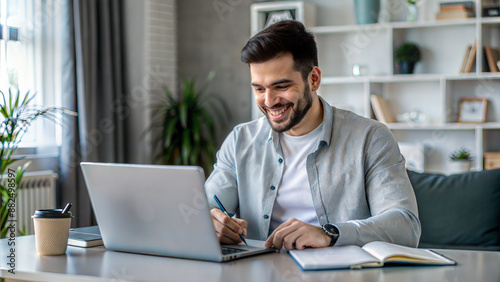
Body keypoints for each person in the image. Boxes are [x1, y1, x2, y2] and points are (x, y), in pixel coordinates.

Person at [205, 20, 421, 251]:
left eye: (281, 86)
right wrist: (211, 222)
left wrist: (329, 234)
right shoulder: (241, 140)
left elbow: (405, 226)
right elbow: (203, 209)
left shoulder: (371, 138)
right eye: (259, 89)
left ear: (314, 79)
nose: (268, 101)